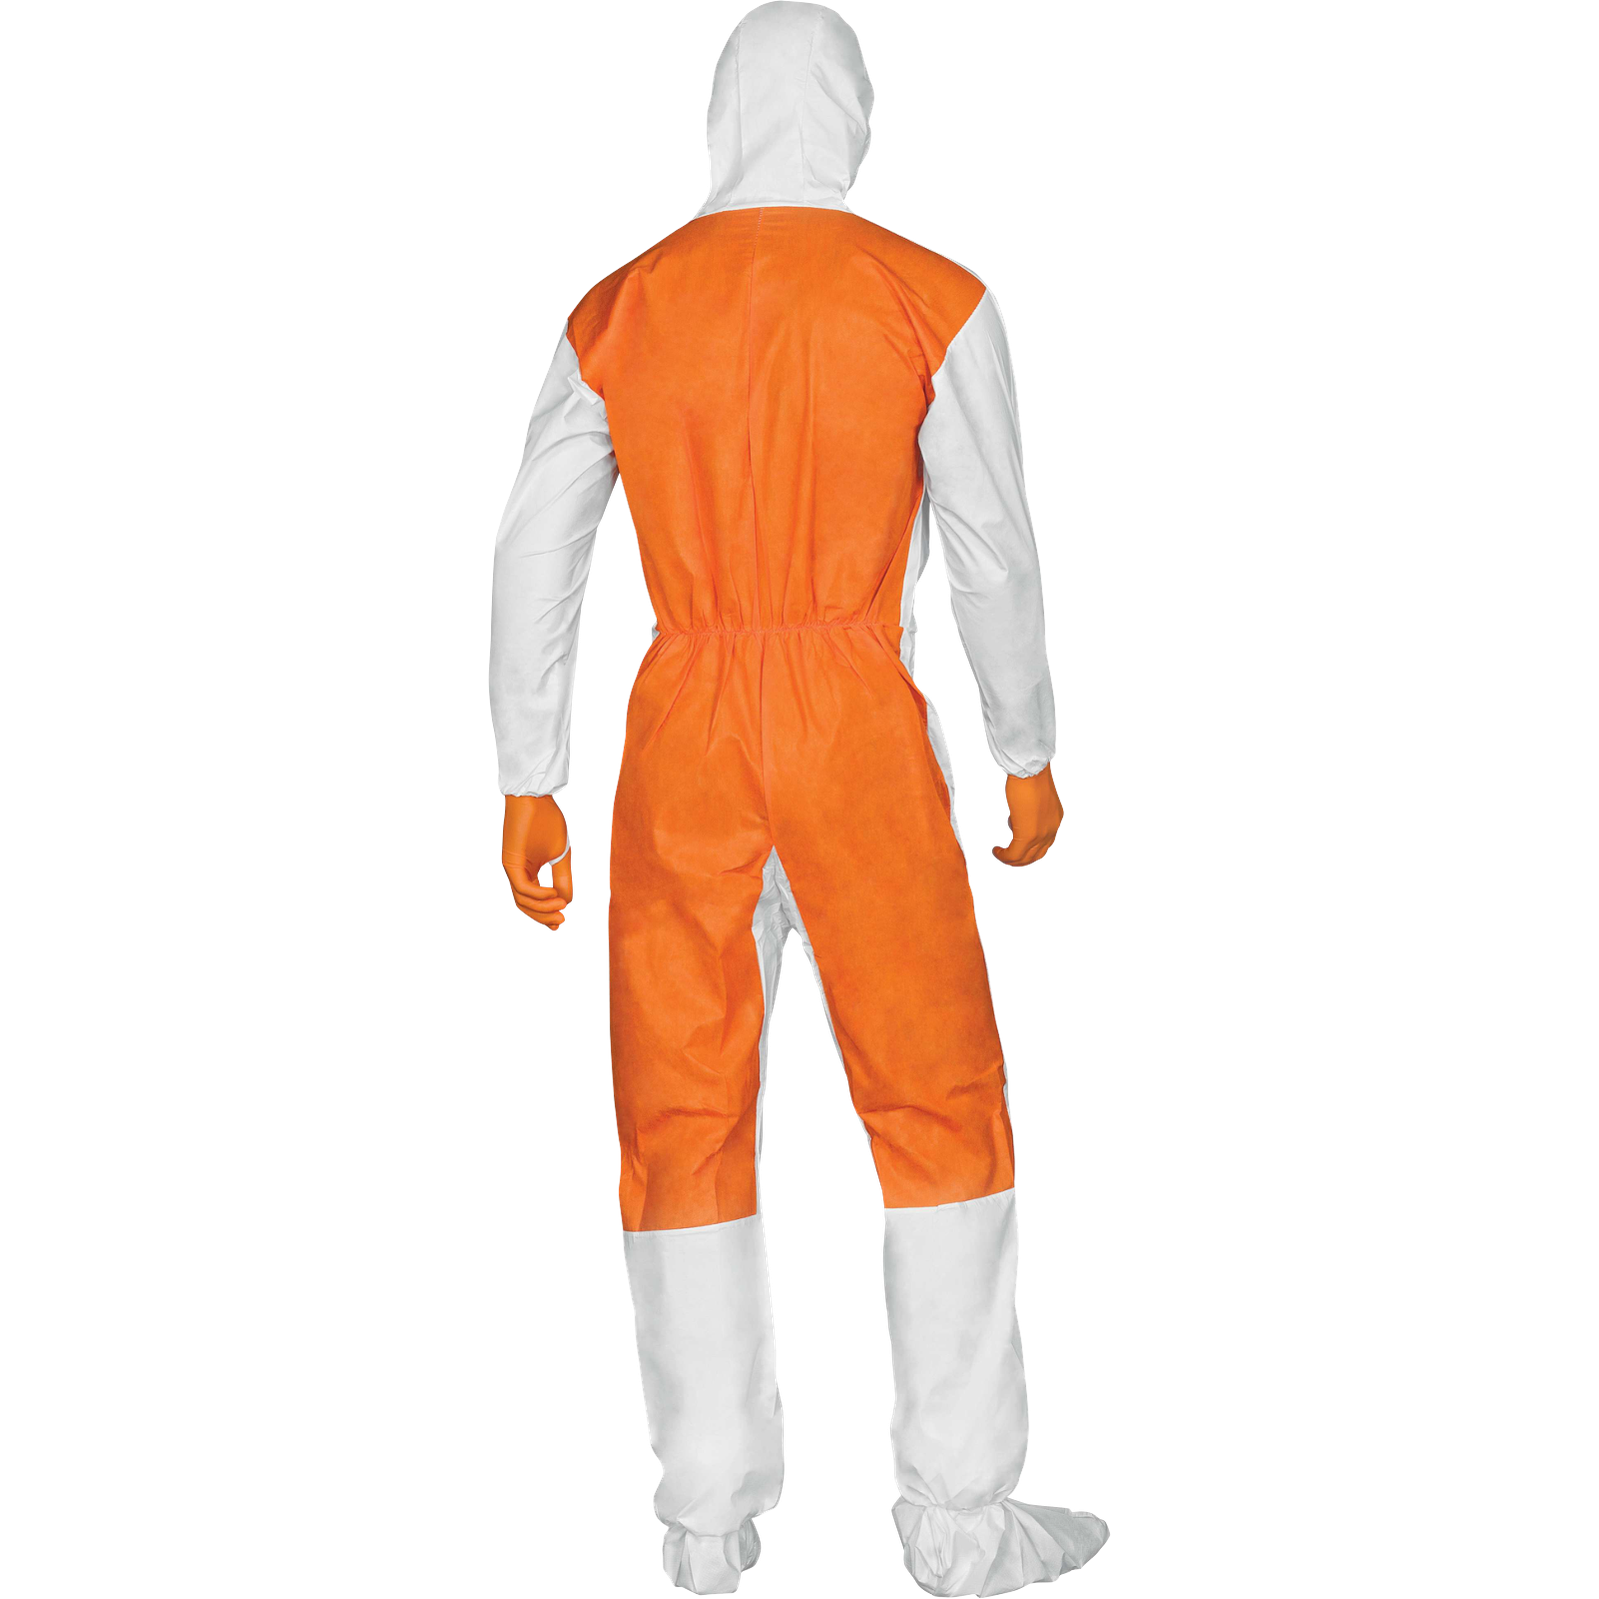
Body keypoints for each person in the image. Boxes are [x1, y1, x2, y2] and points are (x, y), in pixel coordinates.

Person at [487, 4, 1108, 1593]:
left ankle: (703, 1517)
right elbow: (991, 540)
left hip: (677, 723)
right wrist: (1024, 745)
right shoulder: (929, 292)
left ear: (716, 116)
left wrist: (527, 773)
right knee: (935, 1094)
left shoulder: (619, 303)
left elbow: (536, 538)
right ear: (854, 115)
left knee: (677, 1105)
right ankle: (960, 1518)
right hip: (852, 725)